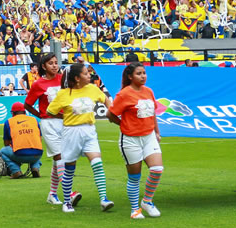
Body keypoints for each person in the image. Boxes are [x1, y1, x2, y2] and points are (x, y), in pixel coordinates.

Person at [47, 62, 114, 214]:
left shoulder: (93, 89)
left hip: (90, 130)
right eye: (85, 73)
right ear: (77, 78)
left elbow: (105, 99)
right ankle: (67, 202)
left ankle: (104, 199)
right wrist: (67, 117)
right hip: (71, 132)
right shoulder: (63, 94)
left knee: (97, 163)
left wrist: (111, 112)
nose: (89, 75)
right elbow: (50, 111)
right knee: (70, 168)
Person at [107, 62, 164, 219]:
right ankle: (134, 209)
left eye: (144, 73)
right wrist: (123, 124)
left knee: (157, 169)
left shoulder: (149, 91)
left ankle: (147, 201)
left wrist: (157, 132)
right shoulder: (124, 94)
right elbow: (110, 114)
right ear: (130, 77)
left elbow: (153, 113)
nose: (143, 76)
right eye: (139, 73)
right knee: (134, 177)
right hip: (130, 139)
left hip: (149, 136)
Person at [24, 53, 79, 205]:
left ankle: (52, 194)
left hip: (65, 122)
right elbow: (27, 104)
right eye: (51, 63)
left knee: (59, 159)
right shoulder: (38, 84)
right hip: (49, 124)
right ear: (43, 66)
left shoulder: (63, 80)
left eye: (56, 62)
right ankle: (70, 193)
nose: (54, 66)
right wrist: (41, 115)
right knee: (59, 156)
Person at [1, 102, 43, 178]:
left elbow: (6, 143)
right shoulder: (34, 120)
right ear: (24, 112)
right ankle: (35, 167)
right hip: (37, 154)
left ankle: (16, 171)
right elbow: (40, 139)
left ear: (13, 113)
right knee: (37, 147)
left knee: (3, 151)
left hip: (20, 154)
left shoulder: (9, 122)